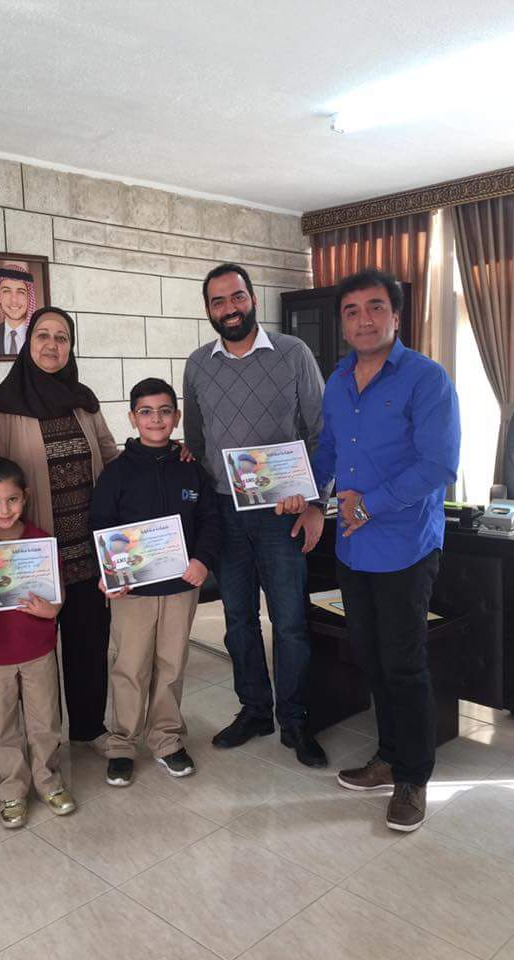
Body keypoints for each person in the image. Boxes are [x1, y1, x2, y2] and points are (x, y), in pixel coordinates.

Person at [310, 267, 460, 831]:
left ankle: (413, 777)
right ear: (343, 323)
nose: (364, 319)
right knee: (370, 657)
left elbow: (438, 465)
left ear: (396, 316)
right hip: (353, 549)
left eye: (376, 307)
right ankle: (389, 755)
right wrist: (305, 495)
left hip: (404, 546)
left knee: (404, 663)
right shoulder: (338, 379)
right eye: (352, 311)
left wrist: (368, 506)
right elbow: (328, 452)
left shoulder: (426, 378)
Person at [183, 262, 328, 767]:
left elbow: (321, 433)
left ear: (252, 299)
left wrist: (315, 502)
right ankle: (255, 710)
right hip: (224, 512)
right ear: (209, 310)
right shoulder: (198, 365)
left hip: (281, 512)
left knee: (289, 621)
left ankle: (295, 718)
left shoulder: (293, 353)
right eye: (218, 301)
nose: (230, 308)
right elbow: (196, 441)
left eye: (237, 297)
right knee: (238, 620)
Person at [0, 306, 118, 749]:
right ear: (28, 343)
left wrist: (160, 454)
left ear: (70, 347)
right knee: (35, 654)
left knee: (89, 642)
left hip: (85, 550)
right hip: (31, 557)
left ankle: (89, 727)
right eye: (43, 335)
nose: (52, 345)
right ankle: (44, 741)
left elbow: (110, 458)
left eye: (62, 337)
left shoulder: (84, 402)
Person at [90, 378, 220, 786]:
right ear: (132, 418)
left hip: (181, 587)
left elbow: (210, 520)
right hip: (133, 592)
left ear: (176, 417)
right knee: (129, 667)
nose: (156, 419)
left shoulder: (191, 468)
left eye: (165, 411)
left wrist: (202, 560)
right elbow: (101, 525)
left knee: (171, 665)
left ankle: (166, 739)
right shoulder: (116, 474)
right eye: (146, 412)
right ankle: (122, 744)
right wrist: (108, 573)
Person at [0, 456, 76, 828]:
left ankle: (49, 781)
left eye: (12, 500)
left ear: (25, 497)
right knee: (3, 726)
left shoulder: (40, 541)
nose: (4, 509)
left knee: (45, 721)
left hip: (37, 649)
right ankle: (12, 789)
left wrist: (52, 610)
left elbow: (57, 595)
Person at [0, 262, 37, 356]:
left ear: (29, 297)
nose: (14, 300)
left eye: (21, 292)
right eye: (6, 291)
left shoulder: (40, 336)